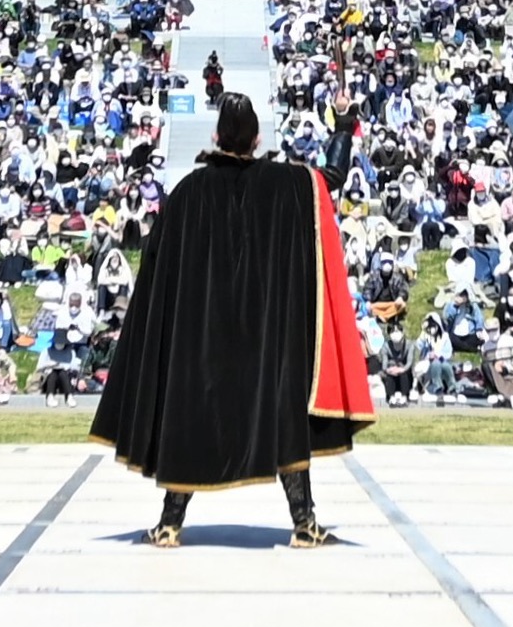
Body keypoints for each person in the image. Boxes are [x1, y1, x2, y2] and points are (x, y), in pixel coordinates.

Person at [87, 87, 371, 545]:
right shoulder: (288, 186)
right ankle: (305, 523)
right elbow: (332, 175)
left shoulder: (186, 194)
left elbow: (158, 275)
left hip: (201, 340)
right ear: (257, 140)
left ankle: (169, 523)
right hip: (268, 340)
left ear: (218, 137)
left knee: (189, 417)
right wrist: (341, 123)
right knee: (283, 417)